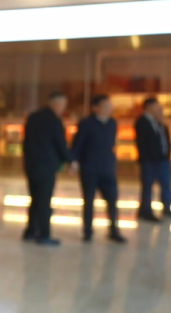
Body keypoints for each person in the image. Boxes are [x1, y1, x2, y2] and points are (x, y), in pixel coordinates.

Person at [71, 94, 126, 243]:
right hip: (89, 168)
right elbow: (78, 144)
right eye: (105, 106)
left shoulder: (112, 123)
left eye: (110, 106)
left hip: (108, 168)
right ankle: (88, 231)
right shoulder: (86, 124)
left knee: (112, 200)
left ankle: (114, 230)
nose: (108, 109)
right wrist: (74, 161)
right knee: (89, 200)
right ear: (95, 108)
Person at [21, 92, 71, 246]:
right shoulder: (54, 121)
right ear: (56, 104)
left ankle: (30, 231)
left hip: (31, 165)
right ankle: (44, 234)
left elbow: (26, 142)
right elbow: (60, 143)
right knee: (44, 201)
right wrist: (70, 160)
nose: (63, 108)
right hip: (47, 166)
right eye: (63, 105)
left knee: (35, 198)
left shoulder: (33, 117)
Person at [134, 97, 170, 222]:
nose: (159, 109)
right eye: (156, 106)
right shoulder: (142, 121)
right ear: (149, 107)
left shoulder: (159, 122)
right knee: (148, 186)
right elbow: (143, 143)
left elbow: (164, 139)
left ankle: (166, 207)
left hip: (162, 159)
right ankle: (146, 211)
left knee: (166, 184)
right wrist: (146, 157)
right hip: (149, 161)